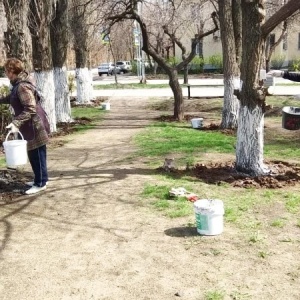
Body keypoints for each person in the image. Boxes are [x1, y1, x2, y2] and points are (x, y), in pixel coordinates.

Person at [0, 58, 50, 195]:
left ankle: (40, 183)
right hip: (31, 124)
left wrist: (16, 122)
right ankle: (41, 179)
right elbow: (12, 98)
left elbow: (30, 108)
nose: (5, 73)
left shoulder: (22, 86)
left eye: (6, 70)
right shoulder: (19, 84)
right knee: (36, 153)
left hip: (34, 125)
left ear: (11, 71)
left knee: (37, 154)